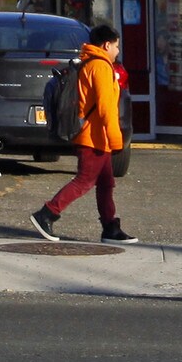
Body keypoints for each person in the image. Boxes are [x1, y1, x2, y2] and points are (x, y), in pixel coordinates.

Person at [30, 24, 136, 244]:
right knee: (85, 180)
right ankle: (46, 214)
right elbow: (106, 107)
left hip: (96, 136)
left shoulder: (91, 62)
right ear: (106, 45)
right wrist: (117, 139)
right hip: (93, 136)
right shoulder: (101, 66)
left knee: (106, 183)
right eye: (116, 46)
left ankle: (110, 228)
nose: (118, 51)